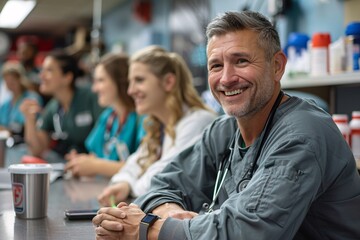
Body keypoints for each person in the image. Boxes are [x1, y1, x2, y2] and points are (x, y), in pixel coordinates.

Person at [93, 11, 360, 240]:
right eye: (216, 65)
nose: (227, 78)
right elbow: (162, 183)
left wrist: (149, 229)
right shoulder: (223, 131)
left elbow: (245, 231)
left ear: (277, 66)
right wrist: (171, 213)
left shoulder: (301, 135)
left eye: (241, 61)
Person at [97, 46, 217, 206]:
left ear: (168, 82)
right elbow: (133, 164)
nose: (130, 91)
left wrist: (129, 186)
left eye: (139, 80)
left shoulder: (199, 121)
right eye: (129, 82)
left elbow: (163, 176)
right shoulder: (159, 126)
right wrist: (124, 183)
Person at [65, 53, 144, 177]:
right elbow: (96, 155)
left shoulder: (142, 119)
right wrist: (81, 162)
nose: (94, 89)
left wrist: (96, 166)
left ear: (121, 82)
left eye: (100, 81)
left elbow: (144, 167)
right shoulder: (108, 117)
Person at [19, 51, 103, 160]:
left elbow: (106, 138)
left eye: (49, 70)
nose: (41, 75)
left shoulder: (91, 97)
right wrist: (29, 120)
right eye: (42, 70)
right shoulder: (53, 107)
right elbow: (37, 149)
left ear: (67, 77)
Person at [0, 61, 42, 145]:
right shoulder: (5, 103)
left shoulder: (32, 98)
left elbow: (25, 126)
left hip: (24, 144)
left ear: (20, 79)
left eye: (12, 79)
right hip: (6, 144)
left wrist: (7, 130)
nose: (9, 83)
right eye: (7, 80)